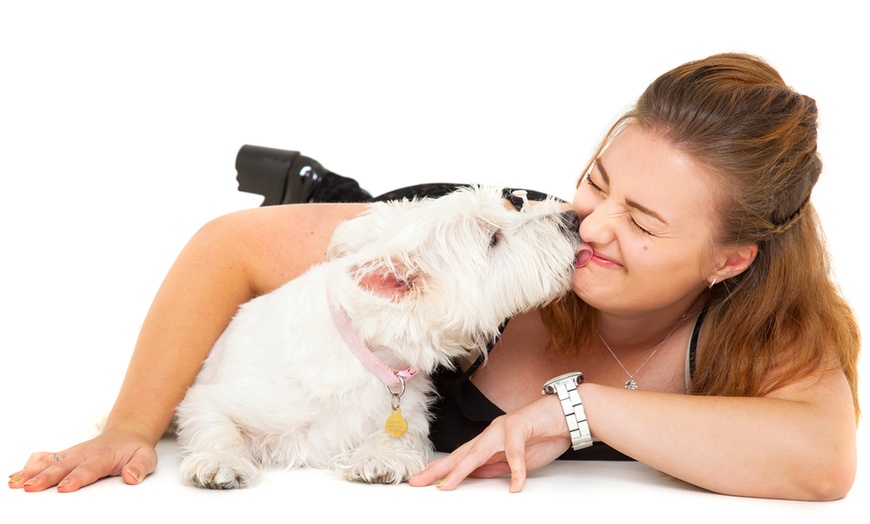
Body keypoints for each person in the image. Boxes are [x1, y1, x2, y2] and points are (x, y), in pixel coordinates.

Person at [8, 53, 860, 500]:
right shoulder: (507, 237)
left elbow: (823, 465)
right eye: (598, 181)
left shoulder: (769, 320)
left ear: (730, 260)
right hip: (414, 255)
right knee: (354, 232)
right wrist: (130, 423)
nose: (587, 228)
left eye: (642, 222)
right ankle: (319, 197)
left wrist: (584, 407)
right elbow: (228, 245)